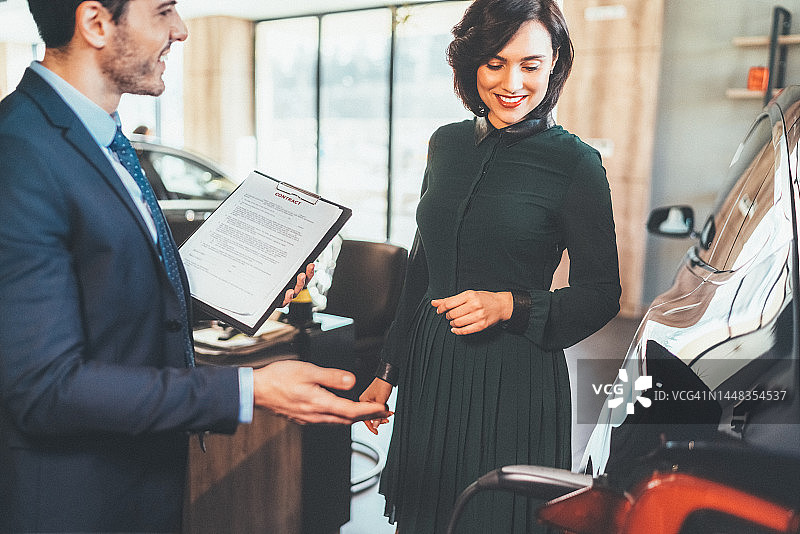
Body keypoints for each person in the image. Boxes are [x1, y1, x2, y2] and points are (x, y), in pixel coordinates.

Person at [0, 1, 389, 532]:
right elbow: (45, 390)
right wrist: (250, 389)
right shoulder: (18, 152)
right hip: (76, 503)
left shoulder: (102, 133)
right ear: (95, 22)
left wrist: (247, 285)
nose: (181, 31)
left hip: (142, 482)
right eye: (162, 12)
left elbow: (108, 291)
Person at [359, 0, 621, 532]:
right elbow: (420, 269)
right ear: (471, 63)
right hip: (433, 370)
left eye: (531, 64)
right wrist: (388, 372)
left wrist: (511, 305)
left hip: (515, 377)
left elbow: (602, 292)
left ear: (554, 66)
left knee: (497, 520)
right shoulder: (446, 145)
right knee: (427, 516)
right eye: (495, 63)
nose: (513, 83)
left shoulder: (576, 163)